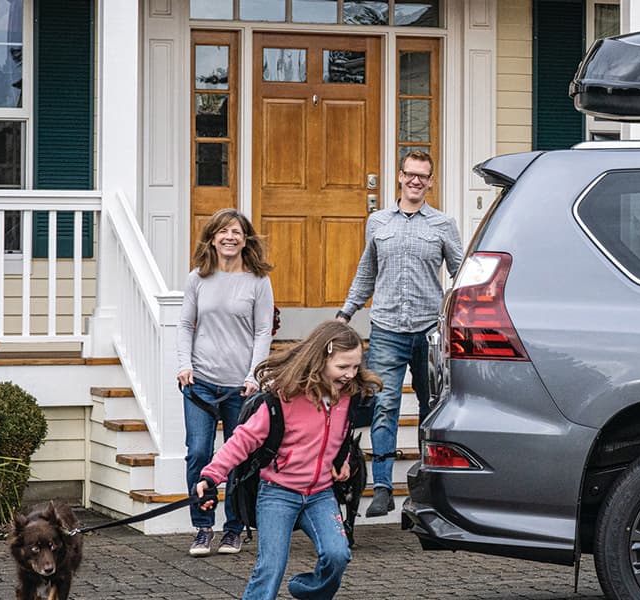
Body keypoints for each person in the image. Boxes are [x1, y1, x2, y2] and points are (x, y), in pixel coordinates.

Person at [195, 320, 381, 600]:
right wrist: (211, 475)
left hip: (320, 493)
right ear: (321, 358)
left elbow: (340, 435)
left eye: (355, 366)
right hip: (278, 493)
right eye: (343, 367)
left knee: (338, 555)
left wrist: (341, 461)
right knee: (270, 566)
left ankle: (306, 591)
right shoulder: (283, 399)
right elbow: (243, 439)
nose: (350, 374)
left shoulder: (348, 398)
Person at [337, 150, 464, 518]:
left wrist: (459, 314)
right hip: (387, 329)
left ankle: (428, 483)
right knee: (384, 405)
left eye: (423, 176)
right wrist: (345, 314)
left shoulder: (443, 224)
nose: (416, 181)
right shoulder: (378, 222)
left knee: (431, 408)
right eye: (410, 174)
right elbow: (366, 272)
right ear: (399, 176)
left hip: (429, 332)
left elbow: (461, 273)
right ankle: (381, 489)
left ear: (431, 181)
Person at [176, 208, 276, 557]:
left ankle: (233, 529)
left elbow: (264, 331)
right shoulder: (198, 279)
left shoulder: (258, 281)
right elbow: (186, 325)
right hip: (201, 383)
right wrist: (184, 365)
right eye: (223, 231)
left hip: (241, 388)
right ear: (212, 237)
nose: (230, 237)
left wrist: (254, 375)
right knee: (199, 453)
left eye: (236, 231)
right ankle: (202, 528)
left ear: (245, 238)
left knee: (236, 459)